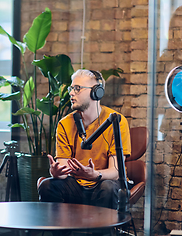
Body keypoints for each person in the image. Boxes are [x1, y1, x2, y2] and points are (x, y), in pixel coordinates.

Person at [38, 69, 131, 210]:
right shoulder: (65, 124)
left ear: (96, 92)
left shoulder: (116, 121)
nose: (71, 93)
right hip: (76, 185)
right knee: (47, 186)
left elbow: (115, 171)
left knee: (108, 188)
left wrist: (95, 175)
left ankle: (101, 232)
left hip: (103, 182)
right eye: (71, 88)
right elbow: (64, 170)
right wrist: (57, 173)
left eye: (77, 88)